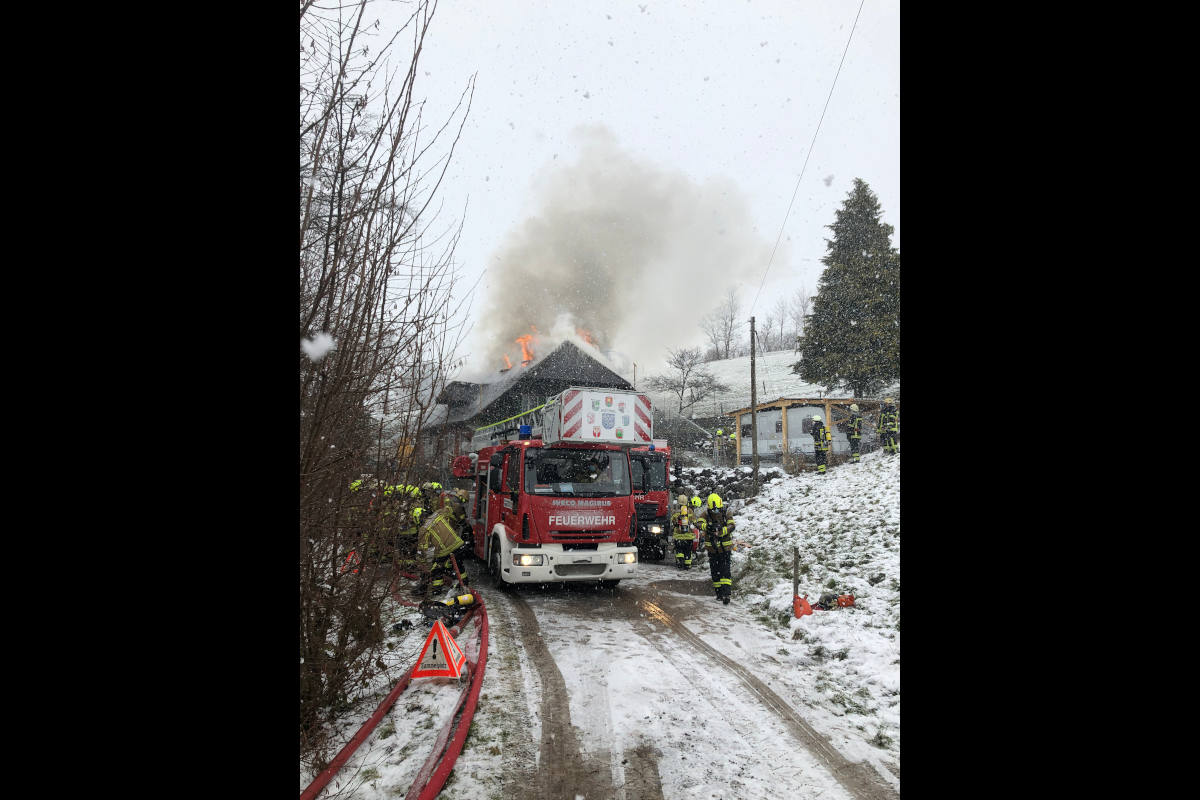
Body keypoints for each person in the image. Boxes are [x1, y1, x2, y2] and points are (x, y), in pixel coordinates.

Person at [415, 495, 466, 599]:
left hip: (445, 550)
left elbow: (422, 550)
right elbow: (450, 510)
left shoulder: (423, 529)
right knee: (458, 565)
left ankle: (437, 591)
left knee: (436, 569)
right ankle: (463, 582)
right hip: (458, 544)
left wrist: (421, 565)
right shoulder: (437, 514)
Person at [698, 492, 736, 604]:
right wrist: (707, 527)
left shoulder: (726, 512)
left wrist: (722, 531)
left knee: (725, 571)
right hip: (712, 549)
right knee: (715, 572)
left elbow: (732, 525)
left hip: (725, 547)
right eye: (713, 510)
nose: (715, 511)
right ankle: (719, 593)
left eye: (717, 509)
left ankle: (726, 594)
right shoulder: (706, 514)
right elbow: (698, 523)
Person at [670, 493, 696, 570]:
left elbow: (673, 522)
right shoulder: (690, 511)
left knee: (679, 550)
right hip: (689, 536)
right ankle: (687, 565)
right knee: (688, 550)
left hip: (678, 536)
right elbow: (694, 521)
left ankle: (680, 562)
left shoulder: (676, 512)